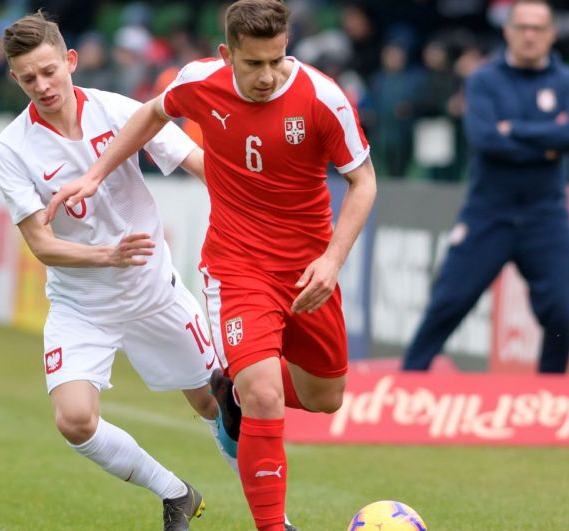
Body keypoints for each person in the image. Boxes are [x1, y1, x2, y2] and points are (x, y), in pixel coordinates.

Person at [46, 1, 377, 529]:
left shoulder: (323, 98)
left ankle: (228, 385)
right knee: (264, 393)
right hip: (237, 266)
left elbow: (364, 181)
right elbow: (153, 113)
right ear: (227, 56)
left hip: (308, 271)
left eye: (276, 60)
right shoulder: (200, 82)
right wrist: (96, 174)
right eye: (253, 64)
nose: (267, 76)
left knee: (325, 398)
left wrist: (332, 259)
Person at [0, 12, 236, 531]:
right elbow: (41, 243)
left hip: (154, 294)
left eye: (49, 71)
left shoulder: (117, 110)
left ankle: (268, 504)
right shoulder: (11, 149)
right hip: (84, 305)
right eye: (28, 78)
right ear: (15, 78)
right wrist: (106, 256)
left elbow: (196, 160)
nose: (42, 85)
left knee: (217, 404)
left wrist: (248, 195)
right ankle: (175, 494)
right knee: (74, 420)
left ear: (70, 61)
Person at [402, 0, 569, 374]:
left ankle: (548, 395)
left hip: (545, 215)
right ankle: (405, 384)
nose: (530, 35)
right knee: (447, 303)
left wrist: (514, 131)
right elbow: (486, 140)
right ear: (507, 31)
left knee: (562, 313)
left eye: (538, 28)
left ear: (552, 34)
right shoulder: (484, 80)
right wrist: (545, 143)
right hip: (488, 212)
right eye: (522, 27)